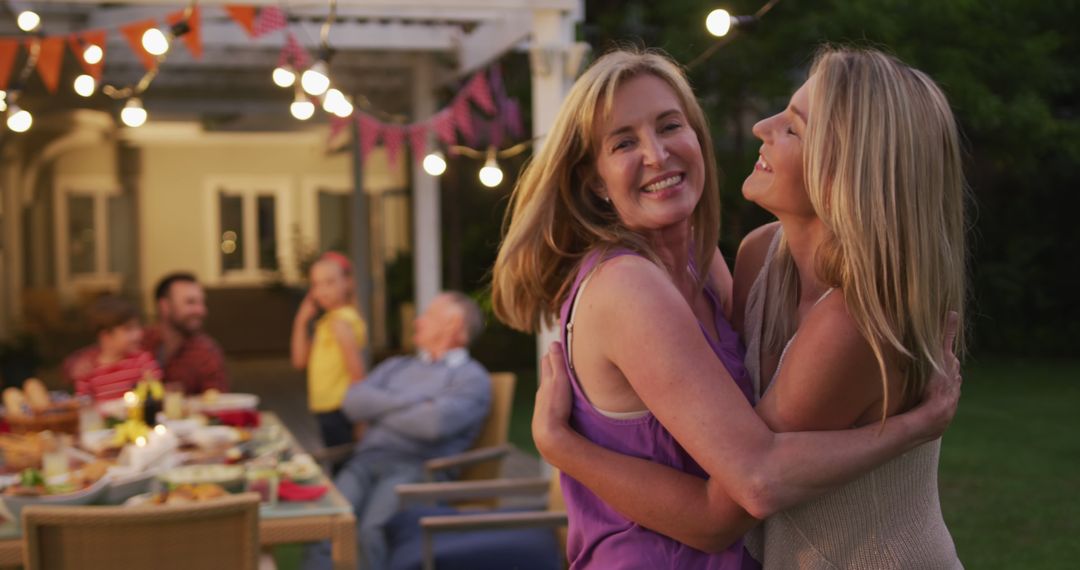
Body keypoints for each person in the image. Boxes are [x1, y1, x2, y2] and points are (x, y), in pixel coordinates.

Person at [492, 48, 962, 569]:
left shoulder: (729, 268)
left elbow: (749, 472)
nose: (763, 125)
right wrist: (911, 430)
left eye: (794, 128)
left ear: (845, 168)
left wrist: (565, 448)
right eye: (623, 142)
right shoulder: (673, 276)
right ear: (594, 180)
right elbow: (749, 480)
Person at [303, 291, 491, 570]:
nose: (417, 321)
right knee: (326, 526)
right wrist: (415, 403)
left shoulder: (471, 377)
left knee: (371, 531)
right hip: (364, 462)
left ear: (453, 324)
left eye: (427, 316)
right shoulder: (397, 366)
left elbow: (433, 424)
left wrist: (378, 411)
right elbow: (352, 402)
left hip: (416, 469)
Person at [290, 252, 368, 449]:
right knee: (335, 463)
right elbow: (299, 361)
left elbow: (357, 374)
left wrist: (362, 419)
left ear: (348, 283)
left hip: (341, 409)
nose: (322, 290)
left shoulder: (342, 322)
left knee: (341, 466)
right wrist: (301, 321)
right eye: (316, 284)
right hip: (324, 409)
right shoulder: (327, 322)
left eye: (330, 282)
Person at [142, 272, 229, 395]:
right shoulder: (139, 343)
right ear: (164, 306)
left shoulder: (206, 352)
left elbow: (218, 403)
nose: (201, 310)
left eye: (202, 303)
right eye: (190, 302)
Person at [65, 295, 162, 401]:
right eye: (128, 329)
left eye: (138, 327)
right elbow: (84, 405)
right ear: (106, 336)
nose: (138, 334)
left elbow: (156, 394)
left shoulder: (143, 361)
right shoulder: (87, 371)